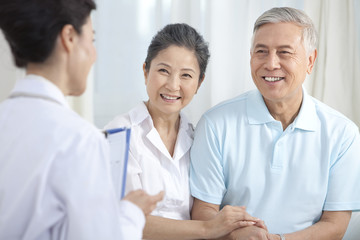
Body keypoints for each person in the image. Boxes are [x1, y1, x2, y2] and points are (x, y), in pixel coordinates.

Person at [190, 7, 360, 240]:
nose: (271, 64)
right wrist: (235, 236)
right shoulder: (215, 123)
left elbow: (335, 224)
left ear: (310, 61)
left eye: (284, 52)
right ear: (251, 57)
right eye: (261, 51)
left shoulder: (343, 134)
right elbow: (203, 211)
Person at [0, 0, 163, 239]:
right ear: (69, 37)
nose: (94, 55)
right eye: (92, 39)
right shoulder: (79, 140)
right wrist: (131, 213)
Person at [104, 23, 265, 239]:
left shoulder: (198, 136)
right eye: (163, 71)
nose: (172, 85)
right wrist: (209, 229)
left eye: (186, 76)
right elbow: (125, 219)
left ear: (199, 83)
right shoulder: (119, 133)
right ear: (145, 71)